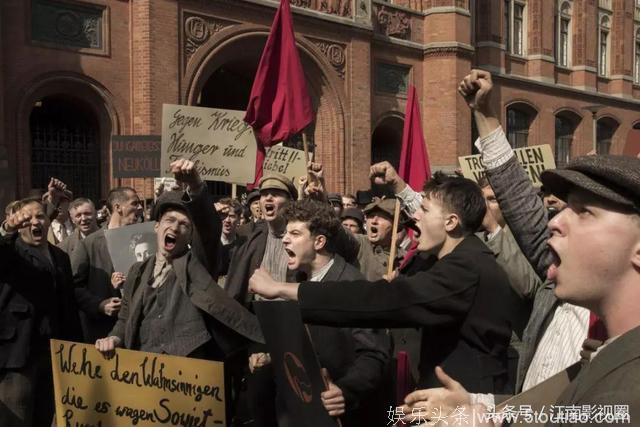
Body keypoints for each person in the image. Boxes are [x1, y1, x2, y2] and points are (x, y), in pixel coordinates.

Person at [400, 69, 640, 426]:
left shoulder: (626, 392)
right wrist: (481, 408)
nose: (554, 220)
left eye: (584, 212)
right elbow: (559, 408)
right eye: (565, 207)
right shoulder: (584, 317)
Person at [249, 170, 520, 395]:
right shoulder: (447, 259)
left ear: (451, 222)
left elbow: (381, 300)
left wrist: (282, 289)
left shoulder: (467, 268)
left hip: (467, 407)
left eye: (424, 210)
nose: (415, 217)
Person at [250, 199, 390, 426]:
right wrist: (271, 356)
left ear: (319, 241)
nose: (285, 239)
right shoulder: (296, 277)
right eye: (286, 233)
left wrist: (344, 391)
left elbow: (374, 355)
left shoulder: (352, 284)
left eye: (295, 233)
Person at [0, 193, 82, 426]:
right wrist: (6, 229)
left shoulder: (61, 257)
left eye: (40, 216)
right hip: (18, 356)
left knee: (47, 416)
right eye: (29, 219)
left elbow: (68, 301)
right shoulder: (11, 251)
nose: (35, 222)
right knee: (16, 418)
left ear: (49, 220)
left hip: (54, 351)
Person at [71, 185, 143, 343]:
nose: (140, 208)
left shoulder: (145, 239)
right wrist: (100, 305)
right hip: (104, 332)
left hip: (140, 331)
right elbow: (73, 287)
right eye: (134, 203)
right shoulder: (89, 245)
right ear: (118, 207)